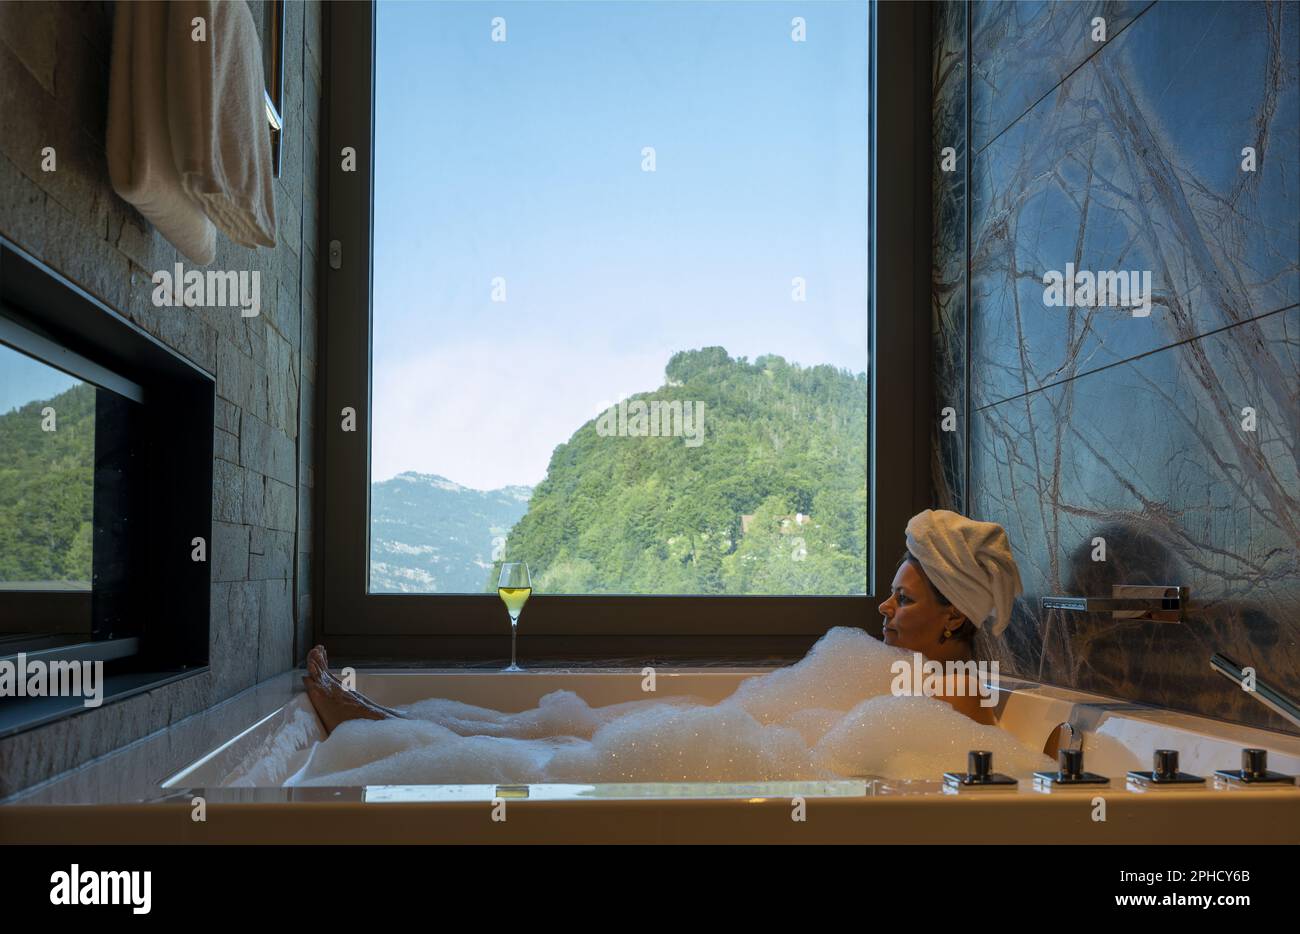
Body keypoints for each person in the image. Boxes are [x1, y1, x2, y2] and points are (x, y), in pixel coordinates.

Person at [304, 508, 1023, 733]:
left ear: (955, 617)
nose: (883, 608)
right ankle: (375, 718)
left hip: (734, 752)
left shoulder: (958, 693)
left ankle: (370, 721)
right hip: (724, 740)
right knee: (540, 733)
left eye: (905, 599)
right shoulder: (907, 677)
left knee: (545, 747)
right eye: (891, 593)